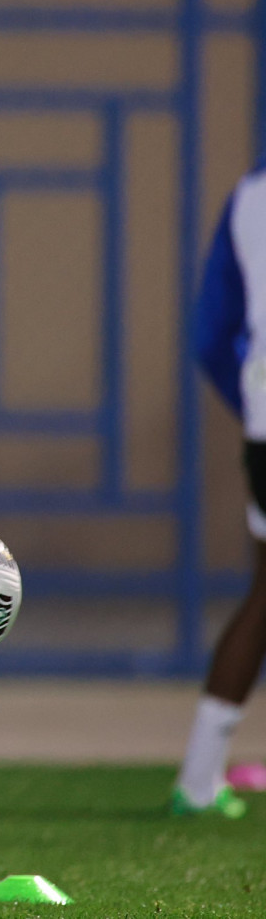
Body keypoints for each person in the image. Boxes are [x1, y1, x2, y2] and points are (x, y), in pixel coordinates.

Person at [171, 160, 266, 819]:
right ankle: (199, 781)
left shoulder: (251, 196)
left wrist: (254, 402)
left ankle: (201, 779)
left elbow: (211, 336)